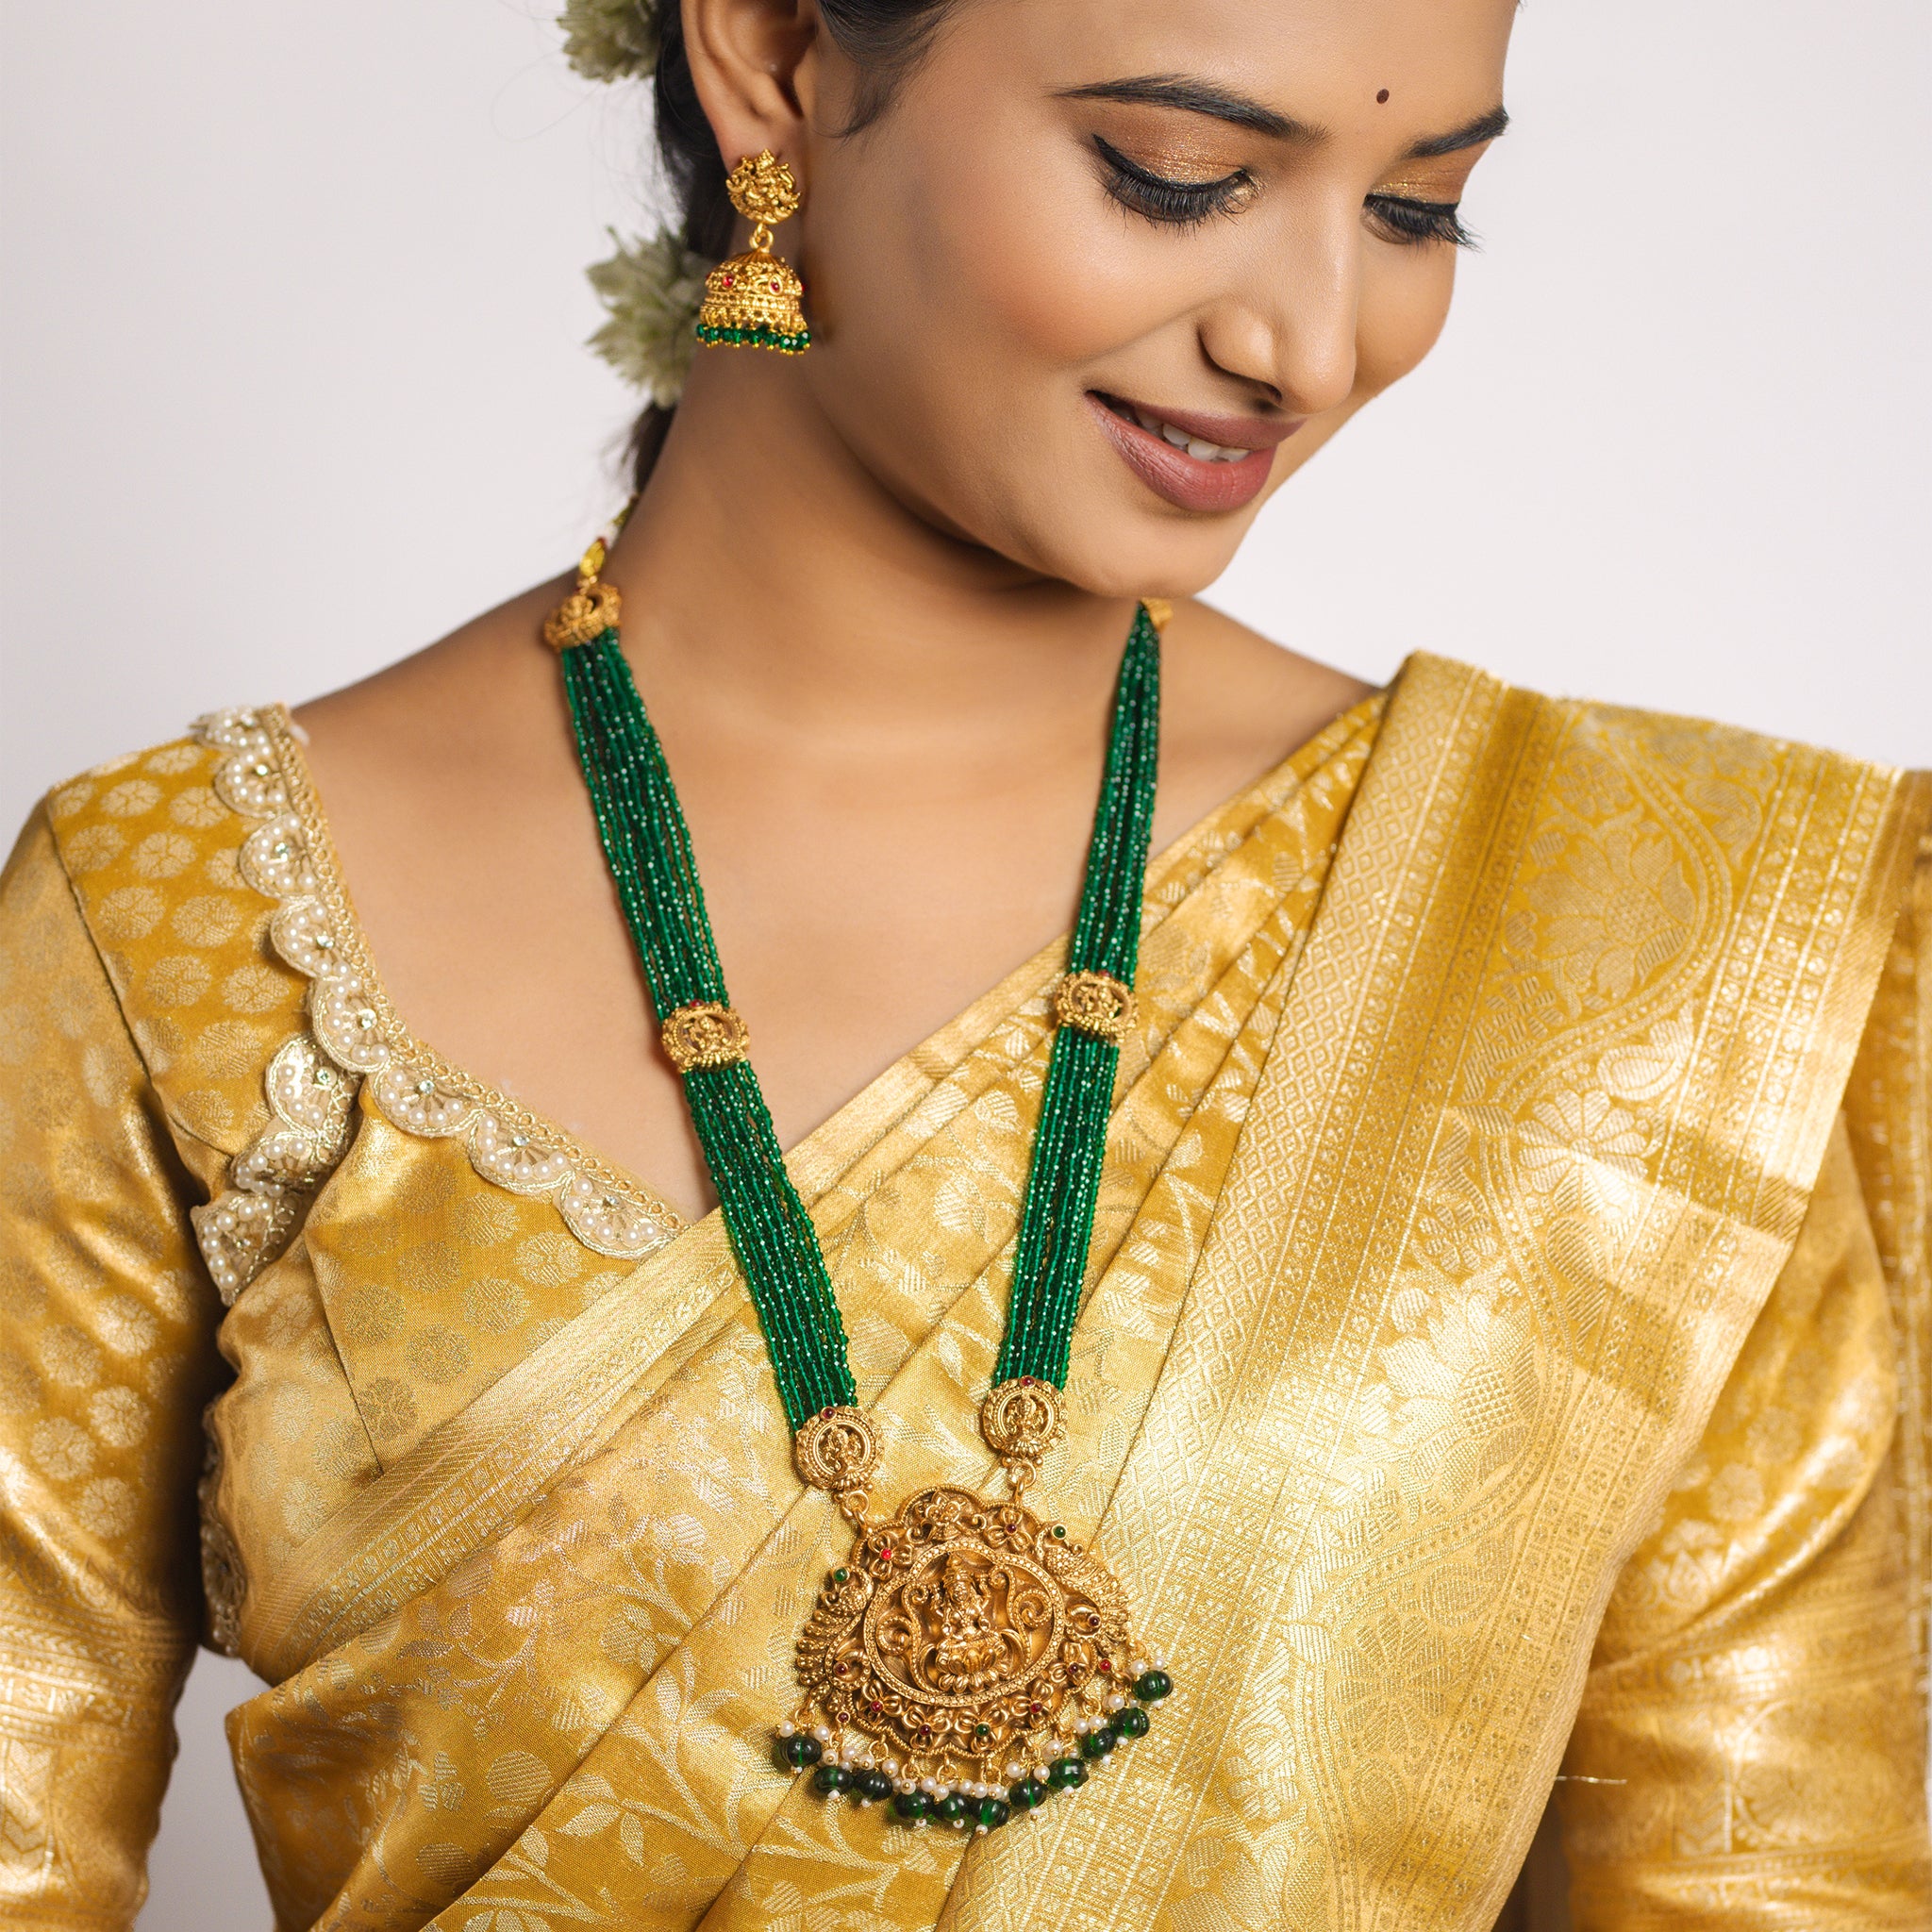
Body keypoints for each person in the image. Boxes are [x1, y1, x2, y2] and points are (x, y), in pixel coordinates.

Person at [1, 0, 1926, 1926]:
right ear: (768, 55)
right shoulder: (192, 924)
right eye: (1180, 180)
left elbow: (1781, 1875)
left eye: (1420, 213)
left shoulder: (1643, 939)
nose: (1309, 342)